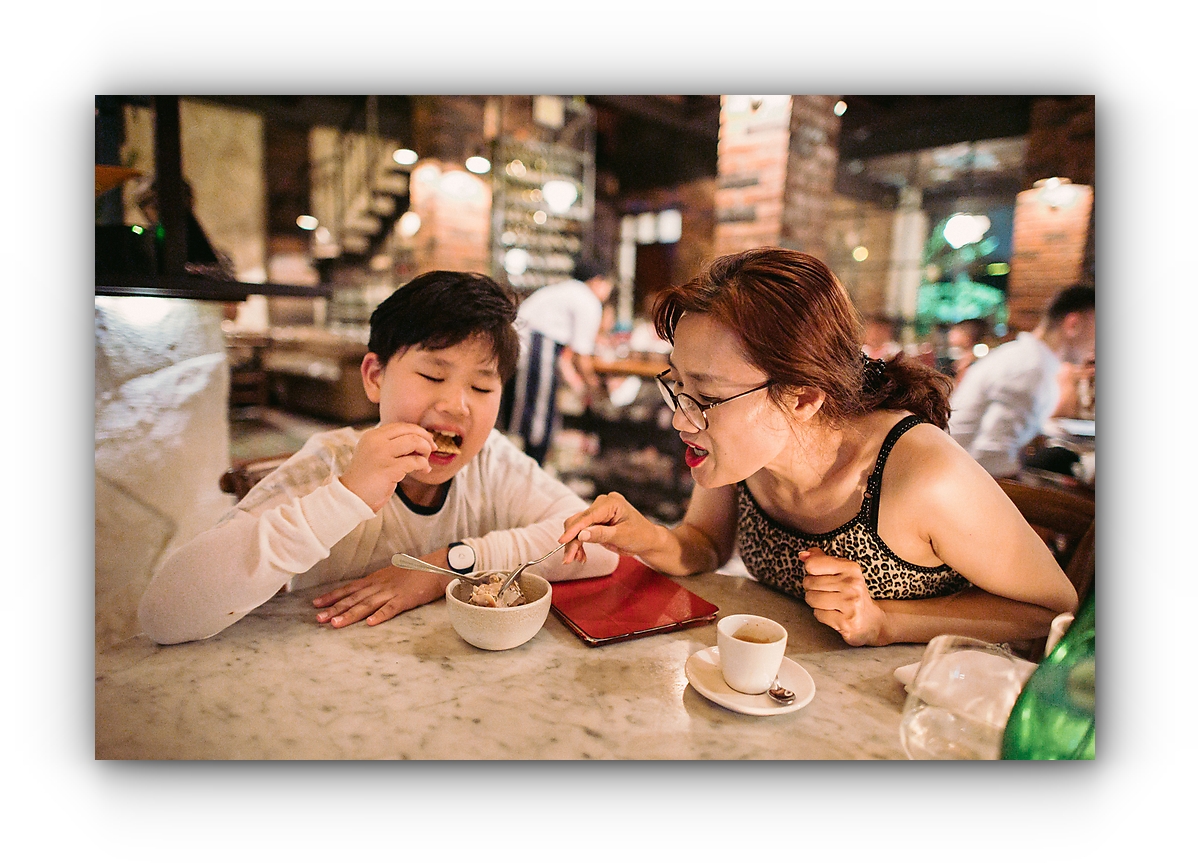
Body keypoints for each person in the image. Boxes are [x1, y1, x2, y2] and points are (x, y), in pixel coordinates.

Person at [558, 248, 1077, 648]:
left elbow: (1051, 610)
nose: (680, 417)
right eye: (679, 385)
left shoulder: (921, 473)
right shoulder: (747, 454)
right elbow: (706, 544)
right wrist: (646, 537)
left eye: (709, 396)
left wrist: (885, 621)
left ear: (803, 398)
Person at [138, 270, 619, 645]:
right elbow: (165, 614)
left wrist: (441, 569)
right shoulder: (330, 465)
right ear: (374, 377)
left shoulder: (491, 461)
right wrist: (346, 496)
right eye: (433, 376)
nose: (457, 405)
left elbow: (599, 545)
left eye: (481, 386)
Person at [948, 285, 1095, 478]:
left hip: (959, 471)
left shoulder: (1026, 357)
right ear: (1073, 325)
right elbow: (991, 459)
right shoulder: (1030, 369)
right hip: (959, 478)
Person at [500, 257, 615, 464]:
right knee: (537, 417)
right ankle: (532, 465)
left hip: (521, 346)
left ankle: (526, 462)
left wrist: (580, 383)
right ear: (598, 281)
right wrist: (592, 384)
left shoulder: (566, 290)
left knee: (525, 414)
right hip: (536, 347)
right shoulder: (587, 299)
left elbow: (569, 356)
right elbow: (581, 354)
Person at [946, 318, 990, 384]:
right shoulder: (960, 362)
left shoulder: (974, 365)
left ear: (968, 337)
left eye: (956, 330)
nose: (950, 334)